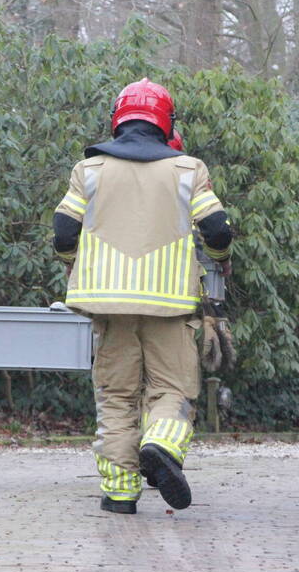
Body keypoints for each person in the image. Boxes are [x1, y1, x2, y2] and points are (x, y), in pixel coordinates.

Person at [52, 79, 234, 514]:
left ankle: (118, 493)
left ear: (119, 119)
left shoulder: (89, 170)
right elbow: (218, 229)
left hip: (107, 306)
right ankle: (161, 444)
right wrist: (219, 258)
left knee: (115, 397)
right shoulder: (189, 170)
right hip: (169, 306)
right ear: (165, 122)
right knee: (171, 389)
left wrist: (71, 260)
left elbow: (62, 231)